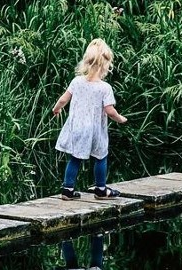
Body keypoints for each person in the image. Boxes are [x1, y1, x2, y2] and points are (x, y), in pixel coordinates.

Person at [52, 38, 127, 200]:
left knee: (75, 158)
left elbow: (63, 99)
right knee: (101, 156)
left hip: (76, 127)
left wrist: (56, 109)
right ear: (105, 64)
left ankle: (68, 189)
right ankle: (101, 189)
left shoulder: (77, 81)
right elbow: (109, 110)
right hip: (94, 130)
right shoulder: (104, 88)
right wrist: (120, 118)